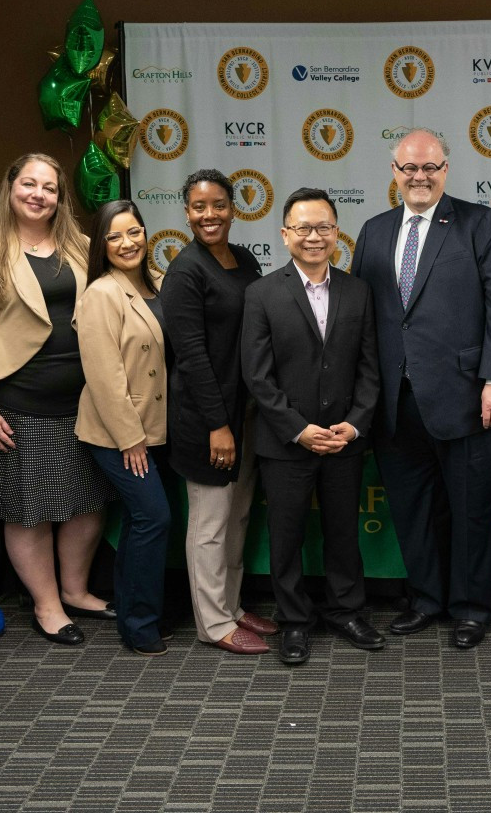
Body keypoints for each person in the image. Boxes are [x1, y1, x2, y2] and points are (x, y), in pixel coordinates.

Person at [351, 127, 491, 650]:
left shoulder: (482, 224)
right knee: (411, 507)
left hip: (468, 397)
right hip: (394, 402)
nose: (420, 176)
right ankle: (426, 600)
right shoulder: (374, 230)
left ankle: (471, 608)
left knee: (470, 509)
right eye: (410, 168)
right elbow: (362, 316)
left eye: (430, 167)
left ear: (446, 170)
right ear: (395, 173)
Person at [0, 154, 113, 648]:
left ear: (61, 198)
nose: (39, 194)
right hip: (18, 408)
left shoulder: (83, 247)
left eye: (51, 188)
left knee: (86, 504)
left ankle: (76, 590)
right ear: (10, 187)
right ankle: (47, 605)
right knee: (27, 511)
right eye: (29, 184)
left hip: (85, 404)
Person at [241, 188, 384, 665]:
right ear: (284, 236)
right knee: (288, 535)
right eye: (303, 228)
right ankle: (295, 620)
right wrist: (298, 429)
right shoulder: (261, 294)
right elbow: (256, 376)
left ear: (337, 232)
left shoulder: (357, 290)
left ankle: (346, 611)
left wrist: (356, 424)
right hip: (286, 441)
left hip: (344, 439)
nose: (314, 236)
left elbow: (370, 368)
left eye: (323, 227)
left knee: (344, 531)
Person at [163, 169, 276, 656]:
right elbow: (191, 357)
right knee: (210, 523)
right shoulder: (185, 270)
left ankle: (231, 605)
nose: (209, 215)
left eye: (218, 205)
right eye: (198, 207)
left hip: (246, 412)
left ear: (234, 208)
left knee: (238, 516)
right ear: (186, 213)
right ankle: (213, 622)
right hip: (208, 418)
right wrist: (217, 425)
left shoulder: (244, 258)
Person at [74, 200, 171, 656]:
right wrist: (130, 438)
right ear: (102, 245)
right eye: (114, 237)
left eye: (134, 232)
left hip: (156, 429)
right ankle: (138, 624)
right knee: (153, 517)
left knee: (141, 521)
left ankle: (142, 614)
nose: (127, 243)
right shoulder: (100, 294)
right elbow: (104, 375)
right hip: (120, 435)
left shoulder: (156, 283)